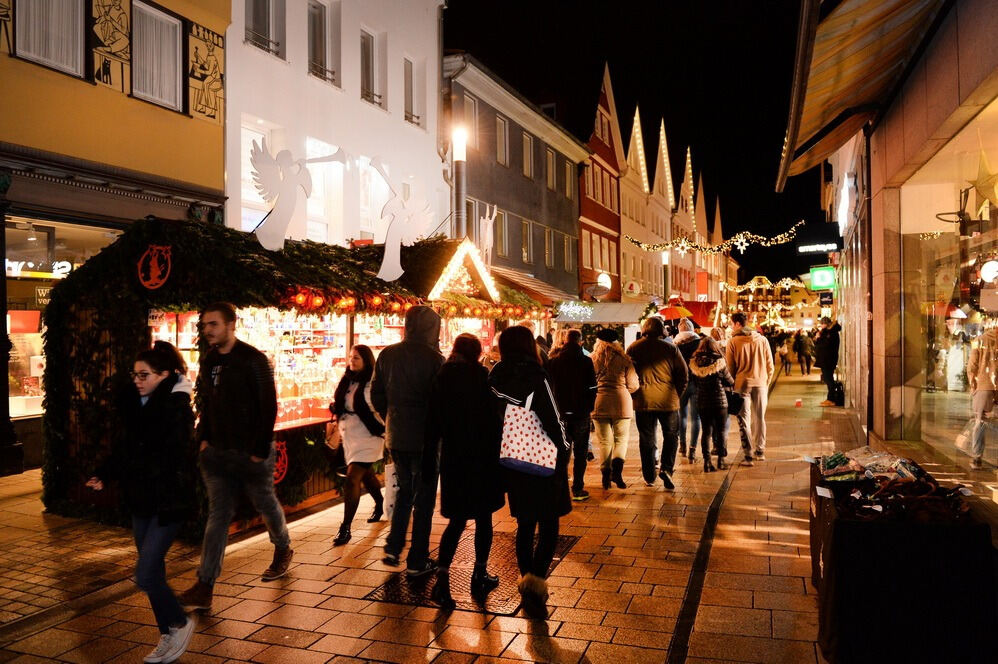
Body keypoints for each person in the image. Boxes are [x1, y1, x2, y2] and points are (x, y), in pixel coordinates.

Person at [87, 341, 197, 663]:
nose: (136, 380)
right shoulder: (138, 405)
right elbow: (126, 448)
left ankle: (180, 622)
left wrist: (143, 447)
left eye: (144, 375)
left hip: (168, 502)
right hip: (141, 500)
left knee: (146, 573)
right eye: (134, 375)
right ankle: (167, 634)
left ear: (164, 375)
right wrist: (105, 474)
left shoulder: (176, 408)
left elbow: (170, 453)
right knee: (154, 573)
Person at [179, 303, 289, 612]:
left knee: (265, 503)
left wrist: (258, 450)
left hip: (249, 453)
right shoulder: (210, 360)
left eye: (213, 324)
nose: (208, 330)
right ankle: (205, 585)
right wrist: (204, 440)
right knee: (218, 516)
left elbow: (268, 405)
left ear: (231, 325)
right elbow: (207, 401)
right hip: (217, 453)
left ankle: (282, 548)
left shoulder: (253, 360)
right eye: (205, 325)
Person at [488, 326, 570, 620]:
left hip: (513, 460)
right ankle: (536, 582)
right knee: (548, 525)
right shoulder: (538, 376)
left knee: (524, 524)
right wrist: (565, 448)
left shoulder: (495, 377)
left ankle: (526, 579)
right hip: (543, 459)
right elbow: (553, 418)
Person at [429, 334, 504, 609]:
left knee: (457, 521)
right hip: (481, 457)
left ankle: (442, 578)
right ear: (476, 353)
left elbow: (434, 421)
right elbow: (493, 419)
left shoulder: (442, 376)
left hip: (454, 458)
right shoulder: (480, 376)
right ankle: (479, 573)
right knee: (484, 518)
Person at [371, 305, 444, 575]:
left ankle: (393, 546)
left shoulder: (387, 355)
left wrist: (390, 416)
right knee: (424, 500)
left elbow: (377, 394)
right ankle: (417, 559)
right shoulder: (435, 359)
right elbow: (441, 401)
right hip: (426, 439)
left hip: (397, 434)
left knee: (403, 492)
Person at [328, 345, 384, 546]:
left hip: (369, 434)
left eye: (357, 358)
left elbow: (378, 406)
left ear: (366, 360)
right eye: (351, 357)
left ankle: (345, 528)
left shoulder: (373, 381)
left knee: (353, 478)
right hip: (350, 434)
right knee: (366, 474)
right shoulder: (348, 379)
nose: (352, 360)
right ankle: (380, 503)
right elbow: (342, 401)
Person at [627, 317, 688, 490]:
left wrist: (634, 394)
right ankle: (666, 469)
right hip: (668, 401)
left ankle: (649, 476)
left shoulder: (634, 348)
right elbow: (683, 374)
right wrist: (676, 394)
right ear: (662, 330)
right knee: (671, 435)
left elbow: (628, 374)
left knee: (646, 437)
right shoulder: (671, 348)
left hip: (643, 400)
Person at [548, 328, 598, 500]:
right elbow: (592, 386)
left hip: (560, 413)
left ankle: (559, 488)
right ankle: (577, 488)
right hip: (580, 412)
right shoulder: (586, 361)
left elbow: (549, 387)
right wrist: (589, 406)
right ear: (580, 341)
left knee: (561, 452)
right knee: (580, 452)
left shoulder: (554, 362)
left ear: (565, 341)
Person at [589, 328, 639, 490]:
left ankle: (605, 474)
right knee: (621, 439)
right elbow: (634, 385)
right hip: (621, 402)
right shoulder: (625, 359)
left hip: (600, 402)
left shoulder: (592, 359)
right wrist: (623, 390)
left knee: (604, 441)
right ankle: (617, 472)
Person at [725, 312, 774, 466]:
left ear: (737, 324)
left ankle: (748, 455)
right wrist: (765, 382)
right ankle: (760, 451)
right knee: (759, 418)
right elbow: (770, 366)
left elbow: (730, 368)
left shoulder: (733, 342)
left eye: (732, 323)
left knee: (744, 420)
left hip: (742, 384)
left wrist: (732, 386)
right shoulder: (762, 340)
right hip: (760, 383)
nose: (731, 326)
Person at [689, 337, 735, 472]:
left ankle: (707, 462)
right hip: (719, 402)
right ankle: (721, 460)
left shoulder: (694, 363)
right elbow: (730, 381)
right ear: (715, 347)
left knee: (706, 432)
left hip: (703, 402)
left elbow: (694, 382)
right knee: (721, 431)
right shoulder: (719, 362)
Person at [967, 328, 998, 469]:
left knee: (980, 422)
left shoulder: (979, 340)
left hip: (984, 385)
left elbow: (972, 366)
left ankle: (977, 458)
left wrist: (973, 386)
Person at [674, 319, 702, 463]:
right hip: (697, 383)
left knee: (682, 416)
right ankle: (692, 449)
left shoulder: (675, 345)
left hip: (681, 385)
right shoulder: (699, 343)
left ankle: (682, 445)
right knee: (695, 418)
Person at [814, 317, 841, 406]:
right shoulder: (829, 332)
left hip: (828, 360)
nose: (821, 325)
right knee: (827, 378)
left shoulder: (831, 333)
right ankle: (830, 398)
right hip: (827, 359)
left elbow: (825, 345)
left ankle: (831, 399)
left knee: (828, 379)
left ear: (826, 324)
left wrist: (818, 338)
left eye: (822, 324)